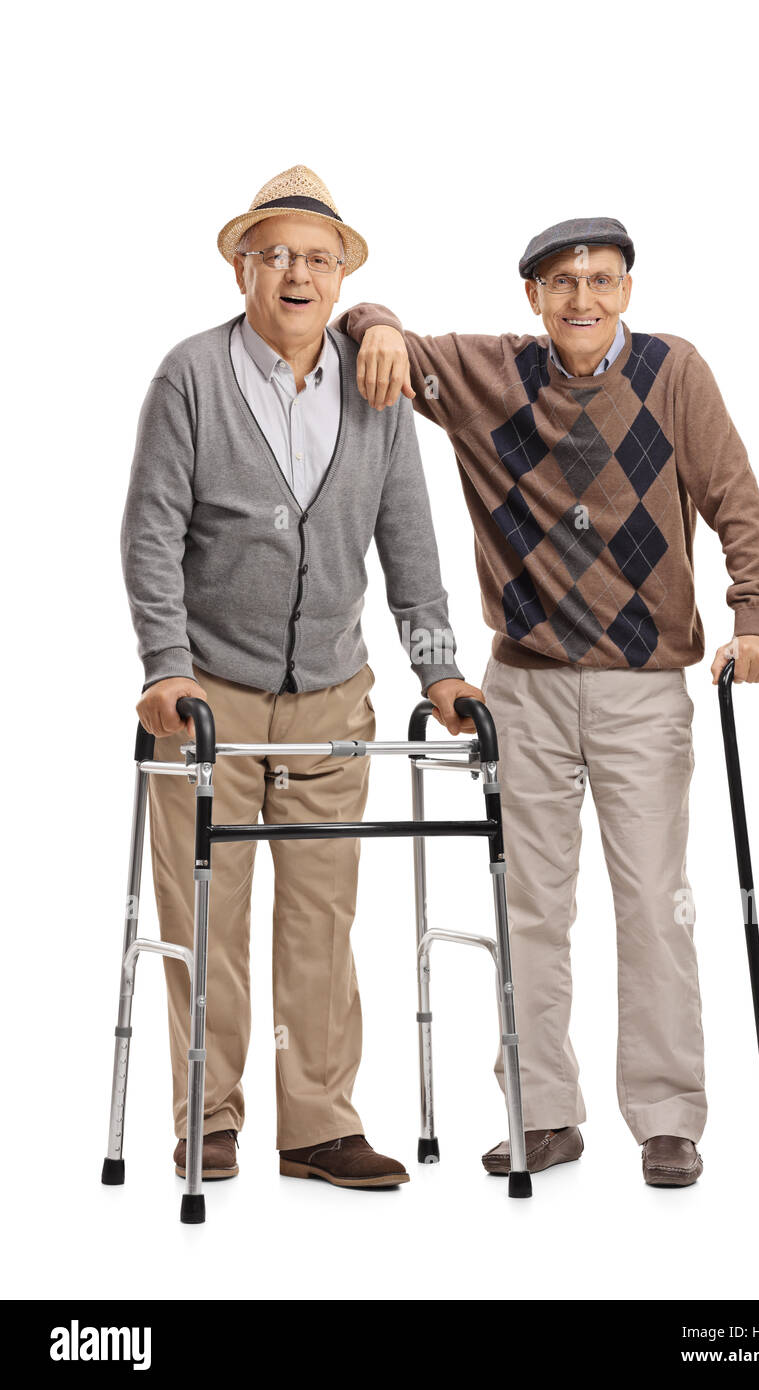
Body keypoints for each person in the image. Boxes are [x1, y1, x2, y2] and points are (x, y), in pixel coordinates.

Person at [333, 216, 759, 1186]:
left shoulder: (673, 373)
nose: (582, 298)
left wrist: (755, 618)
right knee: (527, 904)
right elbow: (374, 335)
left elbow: (736, 505)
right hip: (523, 687)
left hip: (640, 689)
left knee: (654, 905)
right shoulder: (493, 374)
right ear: (532, 298)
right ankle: (541, 1112)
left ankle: (667, 1118)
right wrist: (374, 321)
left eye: (600, 279)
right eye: (560, 282)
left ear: (627, 288)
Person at [120, 164, 482, 1189]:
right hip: (208, 698)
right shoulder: (189, 375)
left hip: (330, 691)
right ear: (242, 268)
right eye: (274, 254)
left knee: (321, 915)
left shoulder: (376, 388)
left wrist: (442, 672)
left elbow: (409, 546)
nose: (295, 273)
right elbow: (150, 534)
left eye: (316, 259)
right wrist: (164, 668)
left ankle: (317, 1123)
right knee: (208, 912)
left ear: (339, 279)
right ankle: (210, 1113)